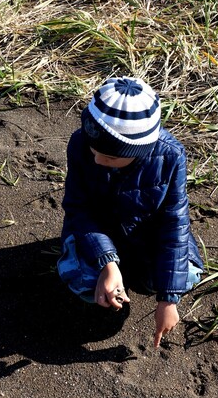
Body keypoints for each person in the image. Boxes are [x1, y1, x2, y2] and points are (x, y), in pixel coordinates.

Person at [57, 76, 203, 349]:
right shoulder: (80, 144)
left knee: (186, 276)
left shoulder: (170, 157)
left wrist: (168, 299)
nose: (98, 160)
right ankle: (113, 269)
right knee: (86, 285)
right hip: (95, 231)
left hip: (145, 235)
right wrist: (107, 265)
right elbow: (78, 208)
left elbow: (175, 224)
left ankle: (138, 276)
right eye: (94, 149)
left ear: (139, 150)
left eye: (110, 157)